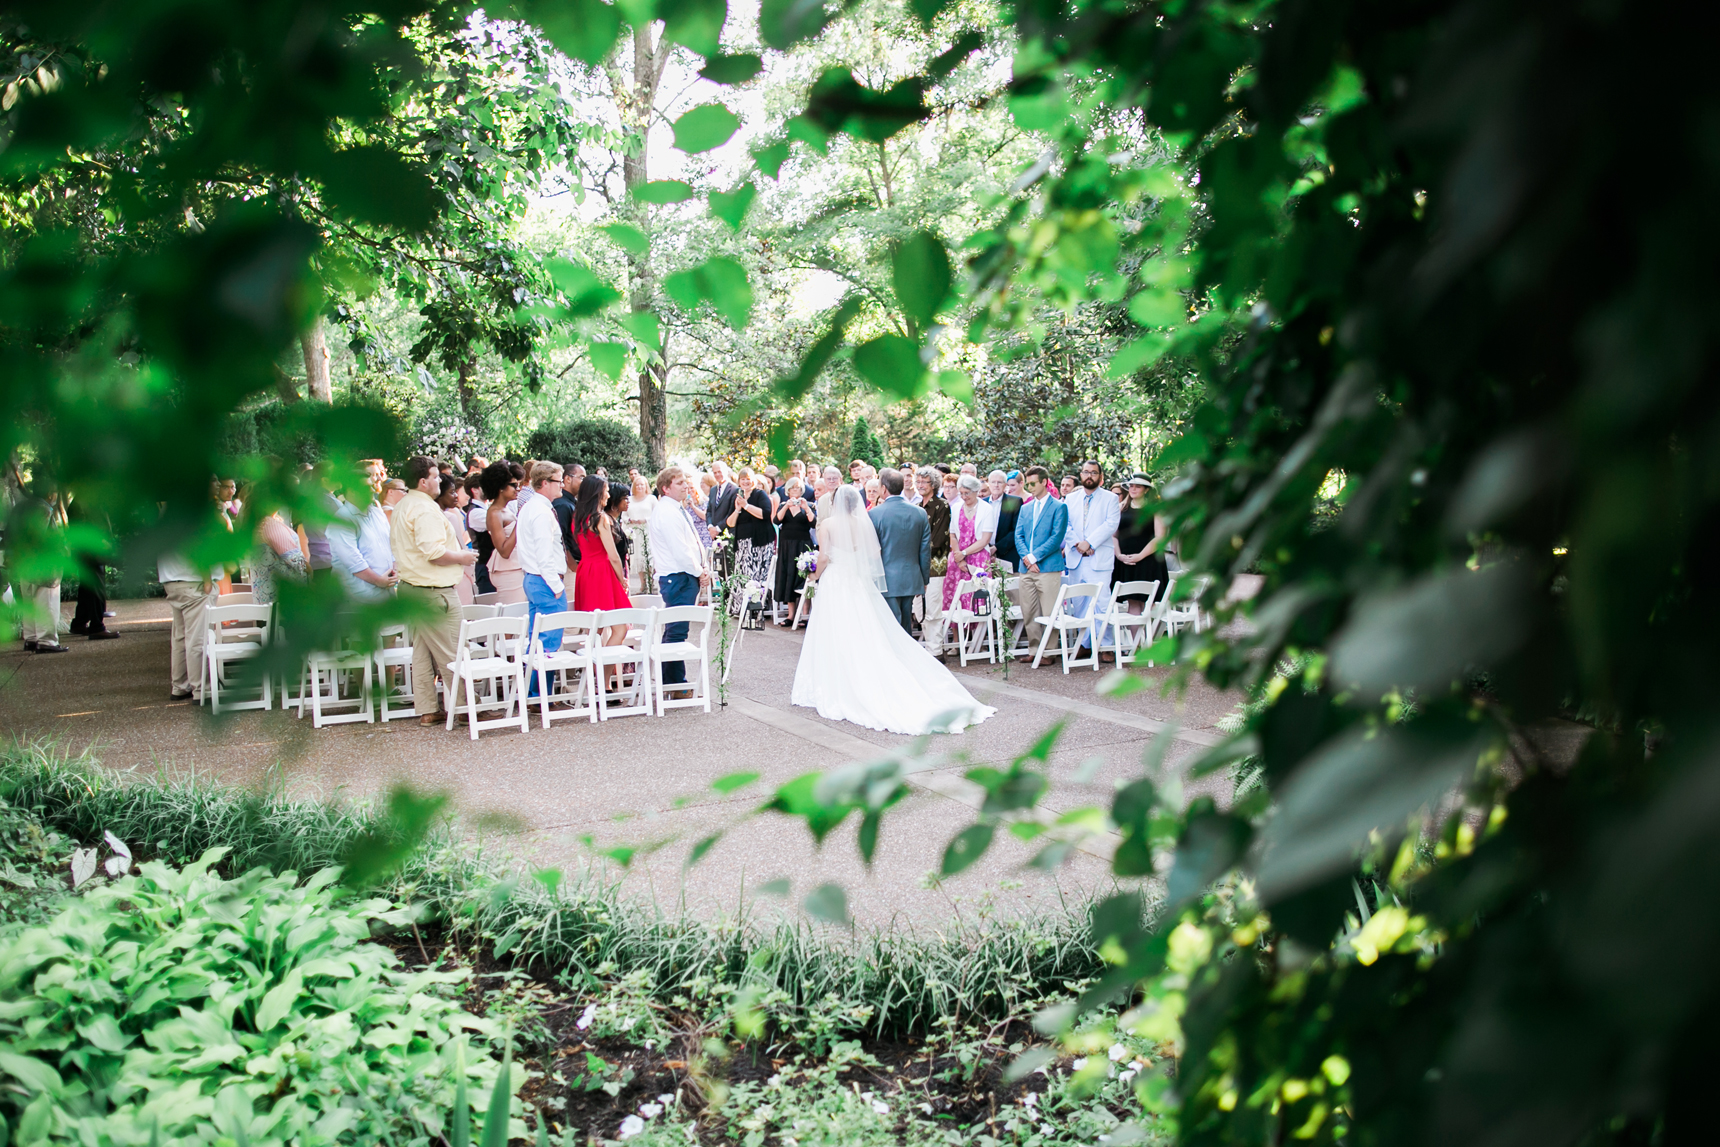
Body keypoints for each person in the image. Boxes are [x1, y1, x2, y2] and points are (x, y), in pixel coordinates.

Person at [791, 486, 993, 735]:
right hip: (857, 581)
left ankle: (838, 682)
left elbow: (823, 558)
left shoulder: (828, 524)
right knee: (864, 629)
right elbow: (874, 552)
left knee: (835, 629)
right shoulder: (862, 523)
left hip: (835, 581)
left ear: (834, 502)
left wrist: (813, 575)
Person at [390, 456, 477, 725]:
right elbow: (434, 552)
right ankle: (465, 707)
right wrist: (463, 556)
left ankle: (428, 709)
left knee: (422, 651)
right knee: (453, 649)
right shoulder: (424, 509)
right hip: (431, 590)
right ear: (422, 481)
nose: (440, 480)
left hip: (412, 588)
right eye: (435, 476)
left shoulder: (404, 504)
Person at [647, 466, 711, 686]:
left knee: (676, 630)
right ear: (665, 488)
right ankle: (675, 684)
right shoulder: (666, 512)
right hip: (679, 577)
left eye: (685, 481)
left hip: (683, 575)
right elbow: (680, 551)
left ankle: (673, 682)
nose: (686, 486)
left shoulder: (677, 509)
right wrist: (699, 571)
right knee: (676, 632)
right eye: (679, 483)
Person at [570, 474, 632, 694]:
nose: (608, 494)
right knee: (620, 627)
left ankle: (599, 682)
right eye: (605, 490)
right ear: (597, 493)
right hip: (603, 571)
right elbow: (613, 555)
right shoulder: (600, 518)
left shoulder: (578, 517)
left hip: (586, 571)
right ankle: (602, 677)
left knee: (594, 629)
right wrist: (621, 578)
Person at [515, 462, 571, 694]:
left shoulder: (532, 507)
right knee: (547, 642)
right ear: (545, 483)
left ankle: (534, 692)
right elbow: (543, 553)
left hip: (535, 579)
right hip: (545, 580)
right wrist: (556, 586)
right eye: (559, 480)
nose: (562, 484)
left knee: (536, 639)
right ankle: (540, 695)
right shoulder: (539, 511)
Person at [1063, 459, 1122, 653]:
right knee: (1079, 602)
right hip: (1076, 557)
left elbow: (1111, 524)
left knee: (1102, 604)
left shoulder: (1110, 499)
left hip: (1099, 559)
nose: (1089, 476)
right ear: (1081, 475)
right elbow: (1065, 524)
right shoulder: (1070, 499)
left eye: (1094, 473)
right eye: (1086, 472)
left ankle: (1106, 646)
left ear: (1101, 477)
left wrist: (1090, 542)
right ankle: (1085, 643)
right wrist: (1078, 544)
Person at [1011, 466, 1069, 654]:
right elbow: (1018, 535)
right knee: (1029, 611)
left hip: (1048, 567)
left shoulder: (1059, 507)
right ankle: (1034, 650)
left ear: (1044, 482)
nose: (1031, 487)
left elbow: (1057, 537)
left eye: (1033, 483)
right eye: (1028, 484)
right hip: (1026, 567)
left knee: (1049, 611)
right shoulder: (1025, 507)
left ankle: (1050, 651)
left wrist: (1035, 557)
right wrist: (1027, 559)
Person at [868, 469, 931, 634]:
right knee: (905, 624)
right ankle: (907, 657)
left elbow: (871, 550)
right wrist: (924, 579)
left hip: (885, 578)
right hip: (911, 576)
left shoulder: (874, 514)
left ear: (883, 489)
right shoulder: (920, 513)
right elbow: (924, 550)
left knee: (890, 626)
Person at [157, 544, 217, 695]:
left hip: (171, 581)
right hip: (194, 581)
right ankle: (202, 688)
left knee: (180, 637)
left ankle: (179, 686)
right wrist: (207, 580)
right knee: (198, 638)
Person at [328, 471, 396, 603]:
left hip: (386, 593)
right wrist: (378, 581)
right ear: (352, 491)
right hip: (358, 598)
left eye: (372, 486)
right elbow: (352, 560)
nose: (372, 490)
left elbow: (391, 543)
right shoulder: (343, 519)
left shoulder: (377, 512)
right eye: (366, 487)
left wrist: (395, 570)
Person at [941, 474, 997, 615]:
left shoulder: (986, 509)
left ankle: (977, 635)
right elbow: (952, 534)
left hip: (978, 559)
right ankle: (956, 636)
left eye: (967, 493)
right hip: (957, 557)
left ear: (976, 491)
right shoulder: (955, 508)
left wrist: (964, 554)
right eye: (961, 493)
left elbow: (984, 540)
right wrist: (958, 556)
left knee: (977, 598)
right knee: (955, 597)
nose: (964, 497)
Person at [1113, 474, 1170, 611]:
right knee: (1132, 602)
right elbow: (1114, 535)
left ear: (1146, 490)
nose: (1133, 489)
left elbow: (1159, 537)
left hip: (1148, 560)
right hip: (1126, 560)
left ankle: (1150, 633)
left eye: (1138, 486)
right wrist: (1119, 555)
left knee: (1150, 603)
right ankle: (1136, 634)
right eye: (1131, 486)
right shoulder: (1121, 508)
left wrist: (1140, 556)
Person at [725, 466, 775, 610]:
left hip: (759, 542)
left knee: (755, 574)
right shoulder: (737, 497)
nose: (745, 482)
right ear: (739, 481)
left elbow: (765, 514)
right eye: (742, 479)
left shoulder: (760, 495)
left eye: (748, 479)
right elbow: (730, 523)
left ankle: (755, 606)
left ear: (753, 480)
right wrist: (738, 509)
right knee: (742, 574)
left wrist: (746, 506)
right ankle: (740, 606)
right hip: (742, 543)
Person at [480, 461, 525, 604]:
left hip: (516, 567)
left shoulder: (506, 510)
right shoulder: (494, 513)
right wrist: (520, 523)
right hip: (507, 570)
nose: (518, 489)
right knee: (512, 616)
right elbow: (504, 551)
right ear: (500, 487)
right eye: (514, 485)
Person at [773, 478, 816, 623]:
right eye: (792, 488)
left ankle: (805, 613)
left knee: (804, 578)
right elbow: (776, 521)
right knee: (788, 576)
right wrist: (786, 506)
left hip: (803, 545)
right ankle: (790, 615)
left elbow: (814, 523)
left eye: (797, 488)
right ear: (788, 490)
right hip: (786, 546)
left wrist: (806, 508)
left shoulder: (808, 505)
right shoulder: (783, 505)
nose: (795, 491)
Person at [250, 508, 308, 606]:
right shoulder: (270, 526)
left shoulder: (256, 524)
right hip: (283, 603)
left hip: (264, 603)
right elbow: (296, 561)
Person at [437, 475, 475, 606]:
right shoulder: (450, 517)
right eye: (451, 492)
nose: (456, 496)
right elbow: (461, 546)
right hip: (457, 576)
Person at [464, 474, 495, 595]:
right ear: (475, 490)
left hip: (490, 566)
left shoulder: (484, 509)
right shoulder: (475, 513)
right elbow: (500, 523)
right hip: (485, 566)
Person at [916, 467, 951, 565]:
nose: (920, 485)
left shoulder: (942, 505)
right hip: (917, 560)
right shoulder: (916, 507)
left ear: (933, 485)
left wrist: (920, 556)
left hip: (935, 562)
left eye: (924, 482)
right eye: (918, 482)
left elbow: (938, 537)